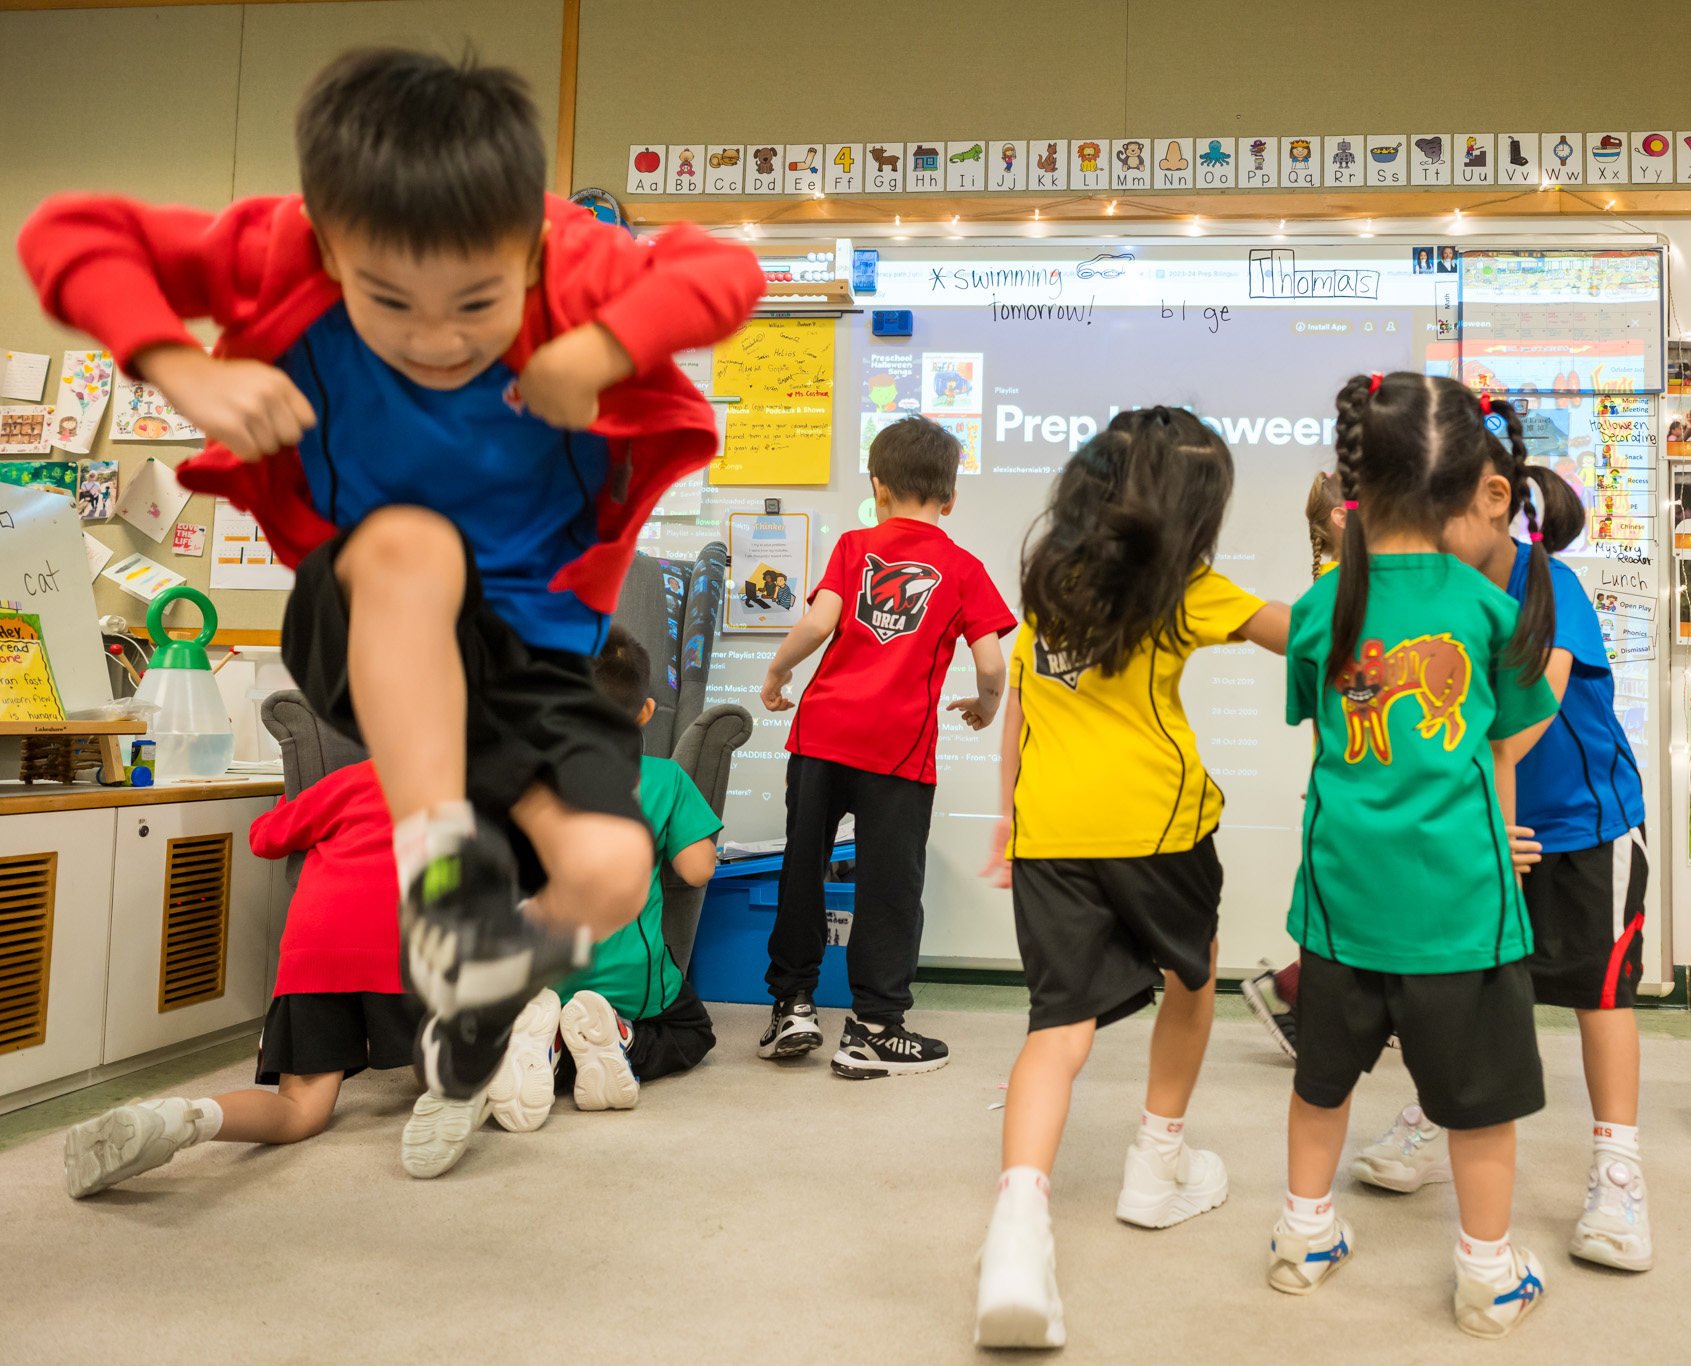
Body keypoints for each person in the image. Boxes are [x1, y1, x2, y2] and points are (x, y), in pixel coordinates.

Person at [18, 50, 765, 1112]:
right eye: (388, 302)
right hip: (371, 608)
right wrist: (183, 366)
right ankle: (446, 883)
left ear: (527, 244)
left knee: (608, 869)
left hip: (531, 656)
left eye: (475, 302)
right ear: (328, 244)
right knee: (416, 540)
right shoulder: (281, 247)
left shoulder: (570, 257)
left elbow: (720, 274)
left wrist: (604, 344)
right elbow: (71, 234)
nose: (436, 342)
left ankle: (479, 984)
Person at [971, 408, 1289, 1349]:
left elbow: (1022, 710)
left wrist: (1009, 819)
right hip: (1156, 826)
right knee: (1195, 978)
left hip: (1049, 830)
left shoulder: (1050, 585)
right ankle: (1156, 1169)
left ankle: (1017, 1234)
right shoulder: (1180, 585)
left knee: (1055, 1026)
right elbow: (1298, 634)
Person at [1268, 374, 1557, 1338]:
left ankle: (1303, 1236)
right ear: (1468, 483)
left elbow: (1321, 729)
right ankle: (1486, 1274)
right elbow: (1511, 738)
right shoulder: (1484, 609)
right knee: (1480, 1109)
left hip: (1343, 901)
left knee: (1321, 1082)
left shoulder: (1319, 607)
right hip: (1464, 910)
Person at [1350, 455, 1656, 1275]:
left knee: (1601, 995)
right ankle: (1433, 1109)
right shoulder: (1432, 588)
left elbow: (1532, 713)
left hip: (1587, 828)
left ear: (1494, 509)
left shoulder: (1550, 584)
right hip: (1485, 828)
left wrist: (1486, 807)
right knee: (1474, 985)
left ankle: (1617, 1170)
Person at [757, 416, 1014, 1077]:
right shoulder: (961, 568)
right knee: (889, 886)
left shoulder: (853, 545)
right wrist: (986, 708)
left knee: (801, 868)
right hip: (898, 754)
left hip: (821, 735)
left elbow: (818, 622)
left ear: (876, 486)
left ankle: (793, 1005)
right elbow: (990, 665)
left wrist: (778, 672)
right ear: (950, 497)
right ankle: (873, 1027)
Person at [62, 761, 426, 1195]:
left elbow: (265, 839)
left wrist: (288, 804)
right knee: (448, 1074)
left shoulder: (350, 779)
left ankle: (178, 1118)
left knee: (300, 1108)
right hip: (407, 951)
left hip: (316, 952)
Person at [485, 627, 723, 1133]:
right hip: (632, 983)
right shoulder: (665, 780)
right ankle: (620, 1039)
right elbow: (697, 870)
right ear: (645, 712)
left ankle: (541, 1045)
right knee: (692, 1031)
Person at [1240, 471, 1346, 1057]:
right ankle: (1293, 994)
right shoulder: (1330, 598)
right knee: (1335, 902)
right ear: (1342, 520)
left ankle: (1293, 990)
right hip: (1342, 777)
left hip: (1341, 775)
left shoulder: (1341, 588)